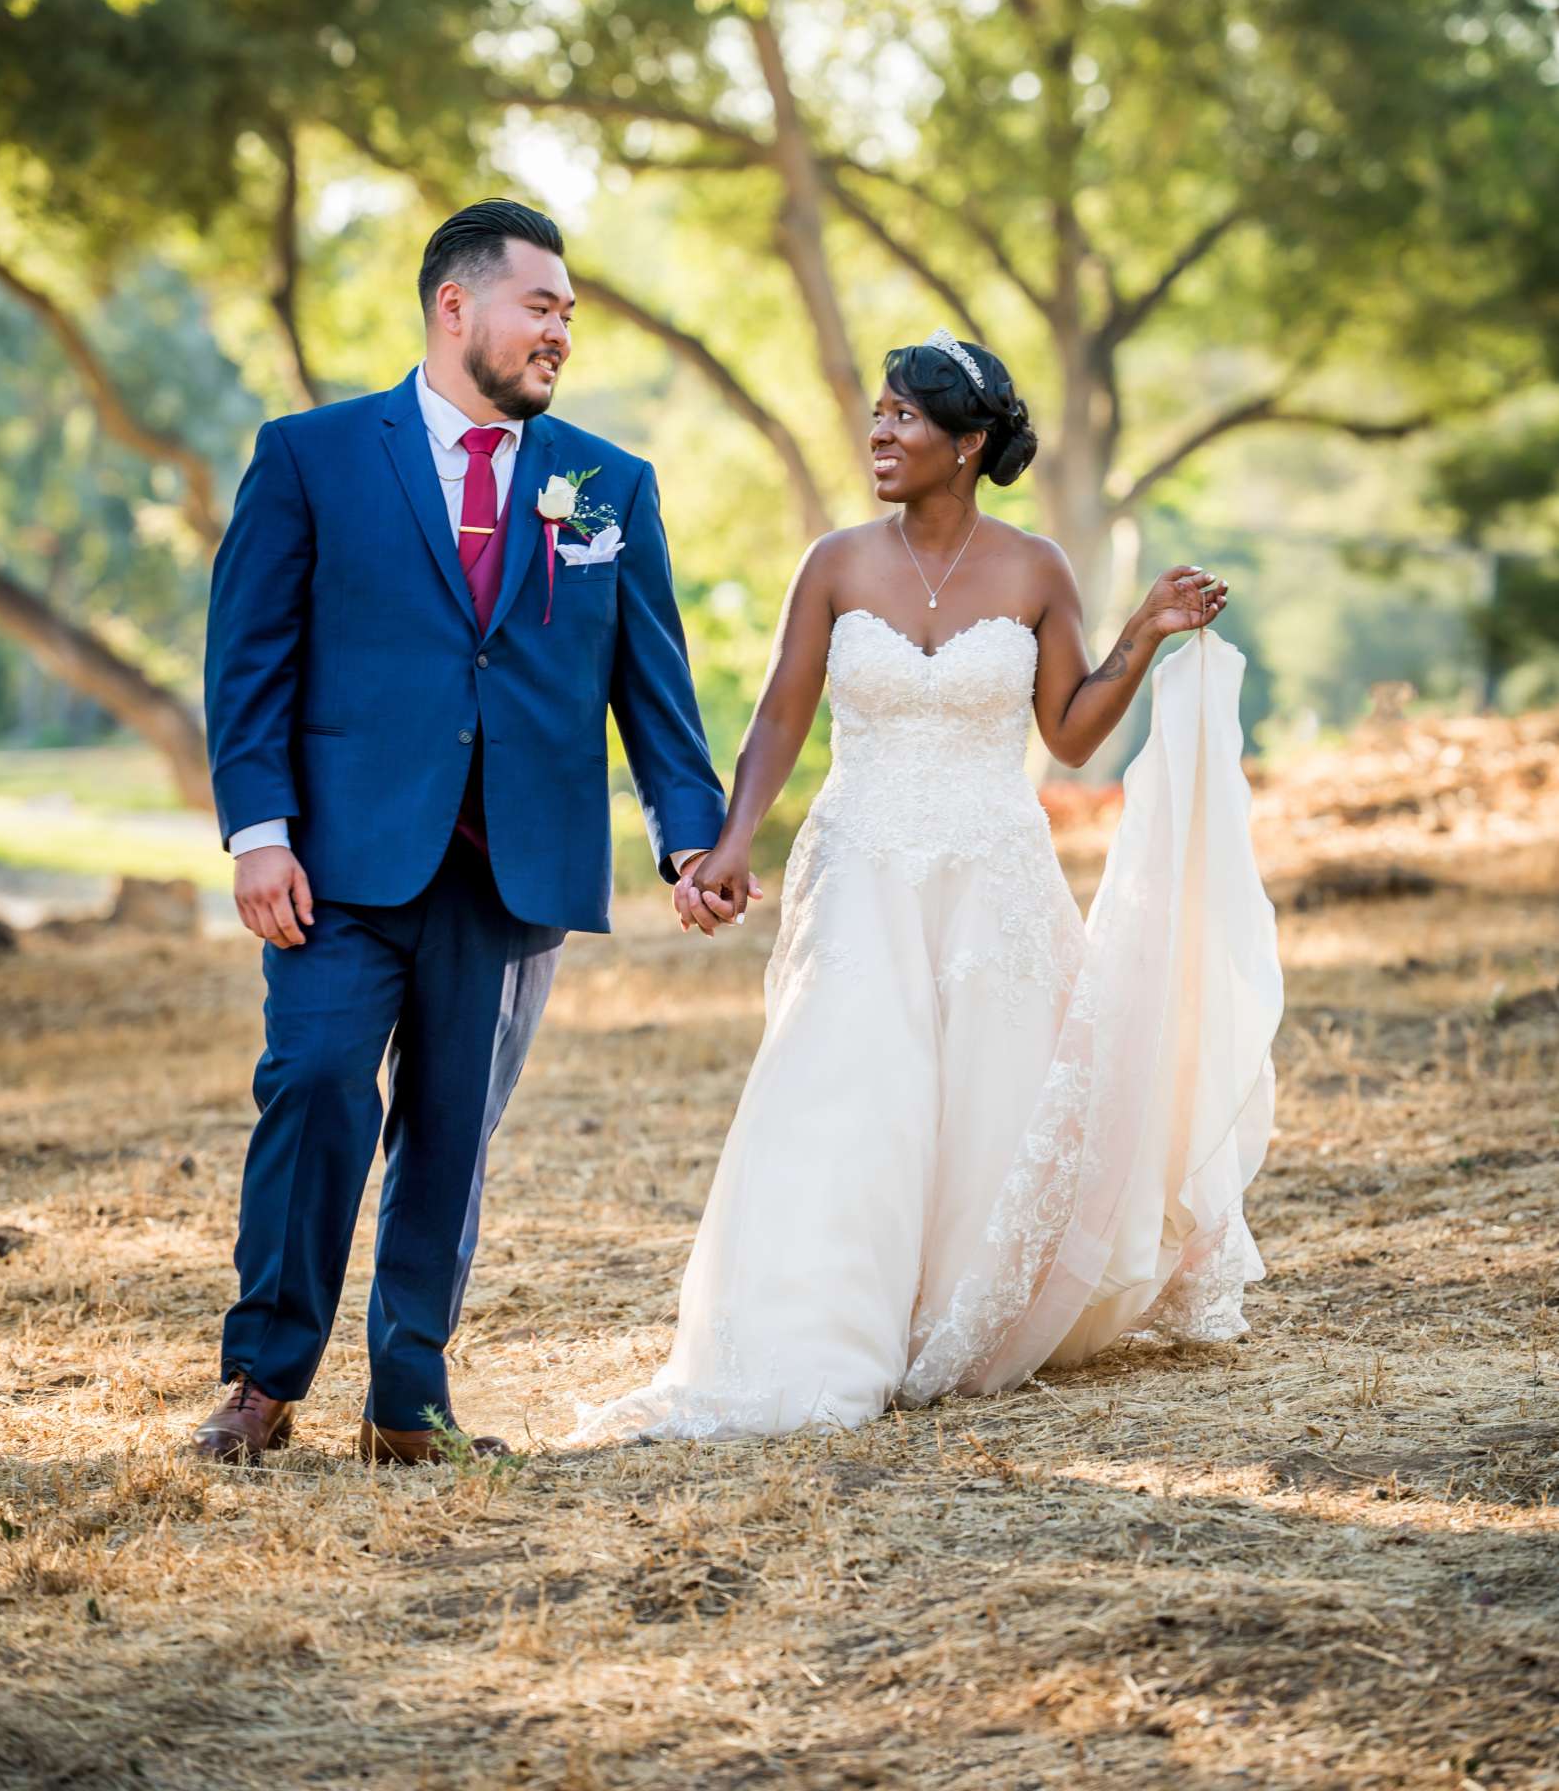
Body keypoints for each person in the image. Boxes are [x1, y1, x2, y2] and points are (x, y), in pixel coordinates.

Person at [572, 328, 1283, 1443]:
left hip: (994, 874)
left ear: (970, 443)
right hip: (860, 866)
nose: (880, 433)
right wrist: (729, 839)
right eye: (879, 413)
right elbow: (780, 717)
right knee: (846, 1086)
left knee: (993, 1096)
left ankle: (964, 1313)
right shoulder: (837, 562)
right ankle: (820, 1326)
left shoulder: (1037, 568)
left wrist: (1142, 636)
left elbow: (1072, 733)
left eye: (905, 415)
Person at [192, 199, 746, 1464]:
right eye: (539, 306)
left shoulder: (608, 485)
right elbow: (250, 659)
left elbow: (651, 689)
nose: (560, 333)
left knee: (452, 1131)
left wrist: (688, 837)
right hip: (338, 863)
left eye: (569, 314)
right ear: (458, 306)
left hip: (514, 870)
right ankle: (262, 1382)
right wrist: (258, 832)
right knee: (314, 1091)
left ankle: (410, 1403)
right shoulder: (311, 455)